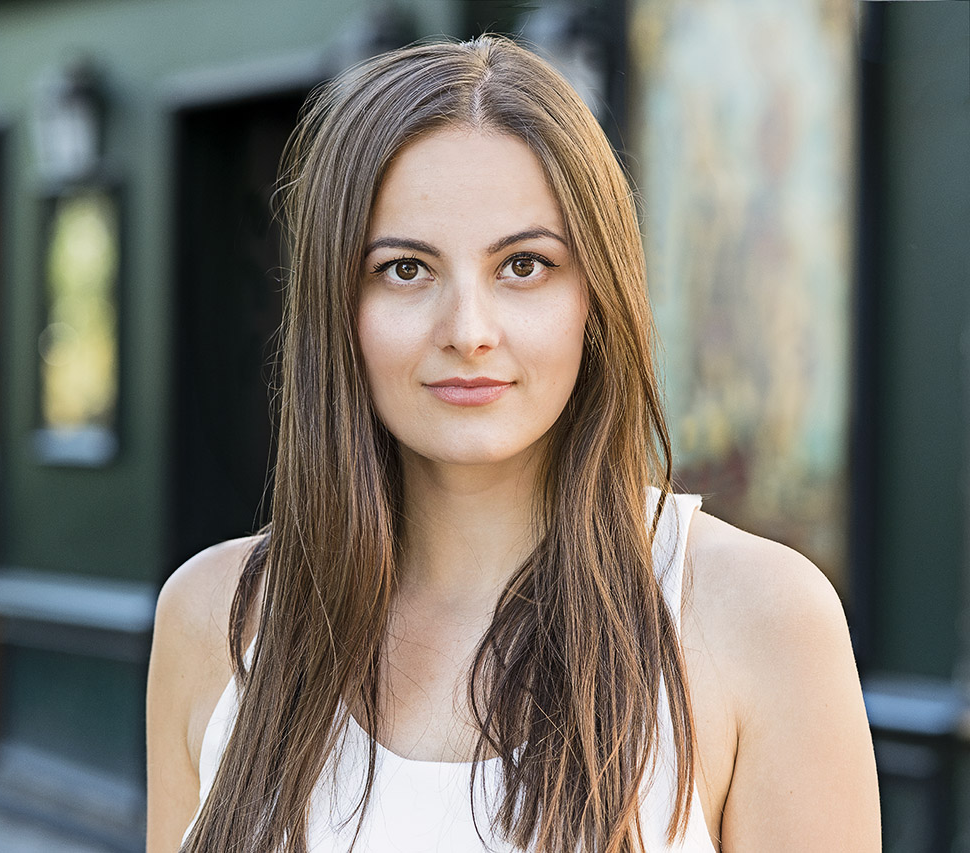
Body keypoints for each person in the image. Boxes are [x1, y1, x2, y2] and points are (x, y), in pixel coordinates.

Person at [147, 36, 880, 853]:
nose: (469, 331)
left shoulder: (759, 617)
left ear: (595, 299)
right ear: (336, 307)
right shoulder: (214, 616)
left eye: (524, 265)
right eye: (405, 269)